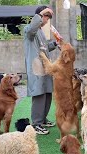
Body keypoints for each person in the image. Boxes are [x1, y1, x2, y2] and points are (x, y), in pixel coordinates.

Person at [24, 6, 57, 135]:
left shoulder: (41, 32)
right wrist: (41, 13)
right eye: (46, 16)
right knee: (39, 94)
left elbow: (45, 49)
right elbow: (31, 30)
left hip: (46, 67)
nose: (47, 19)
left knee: (48, 93)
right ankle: (36, 124)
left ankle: (42, 120)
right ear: (39, 16)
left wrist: (55, 44)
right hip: (36, 67)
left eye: (49, 17)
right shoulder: (29, 29)